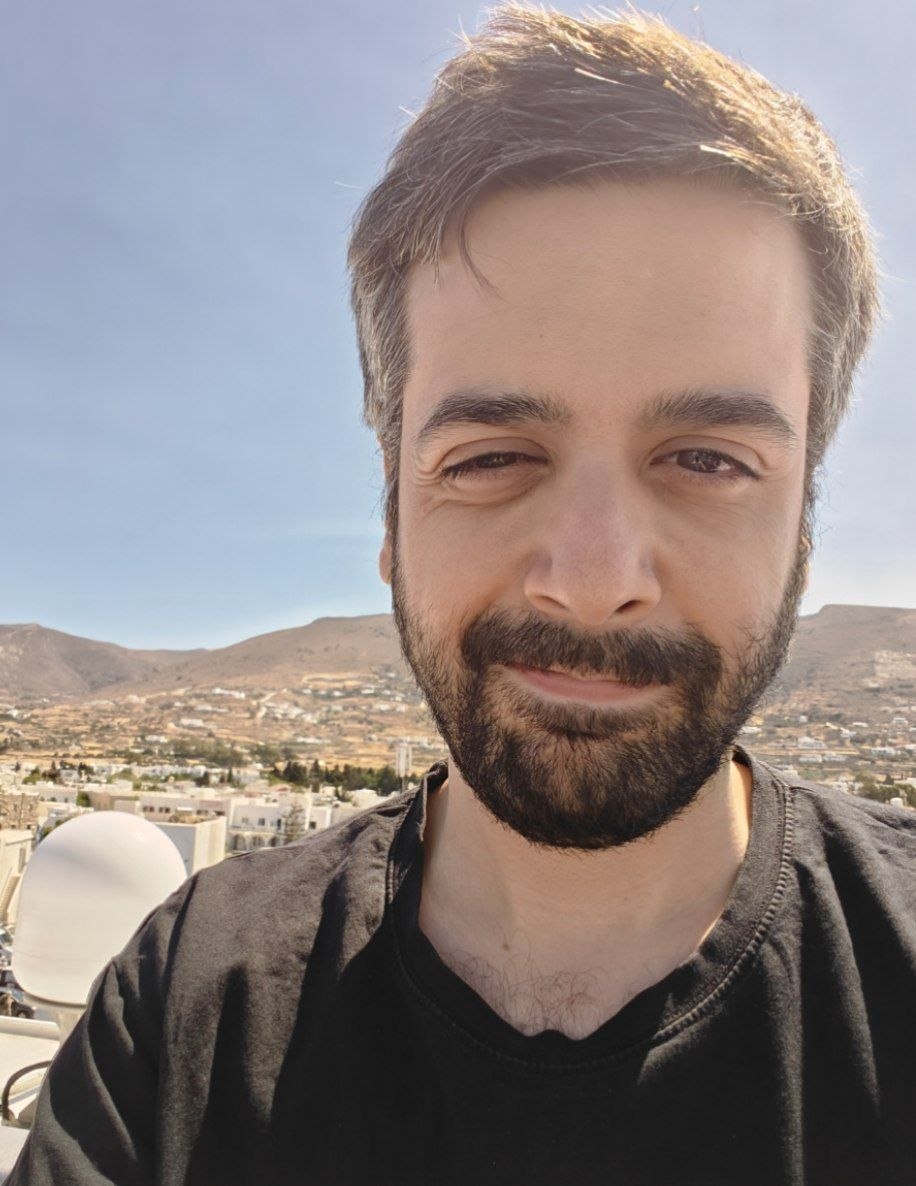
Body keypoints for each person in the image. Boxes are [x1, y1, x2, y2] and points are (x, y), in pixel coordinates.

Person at [9, 7, 914, 1185]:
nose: (593, 580)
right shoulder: (188, 1004)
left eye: (706, 459)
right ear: (390, 516)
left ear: (803, 525)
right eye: (491, 457)